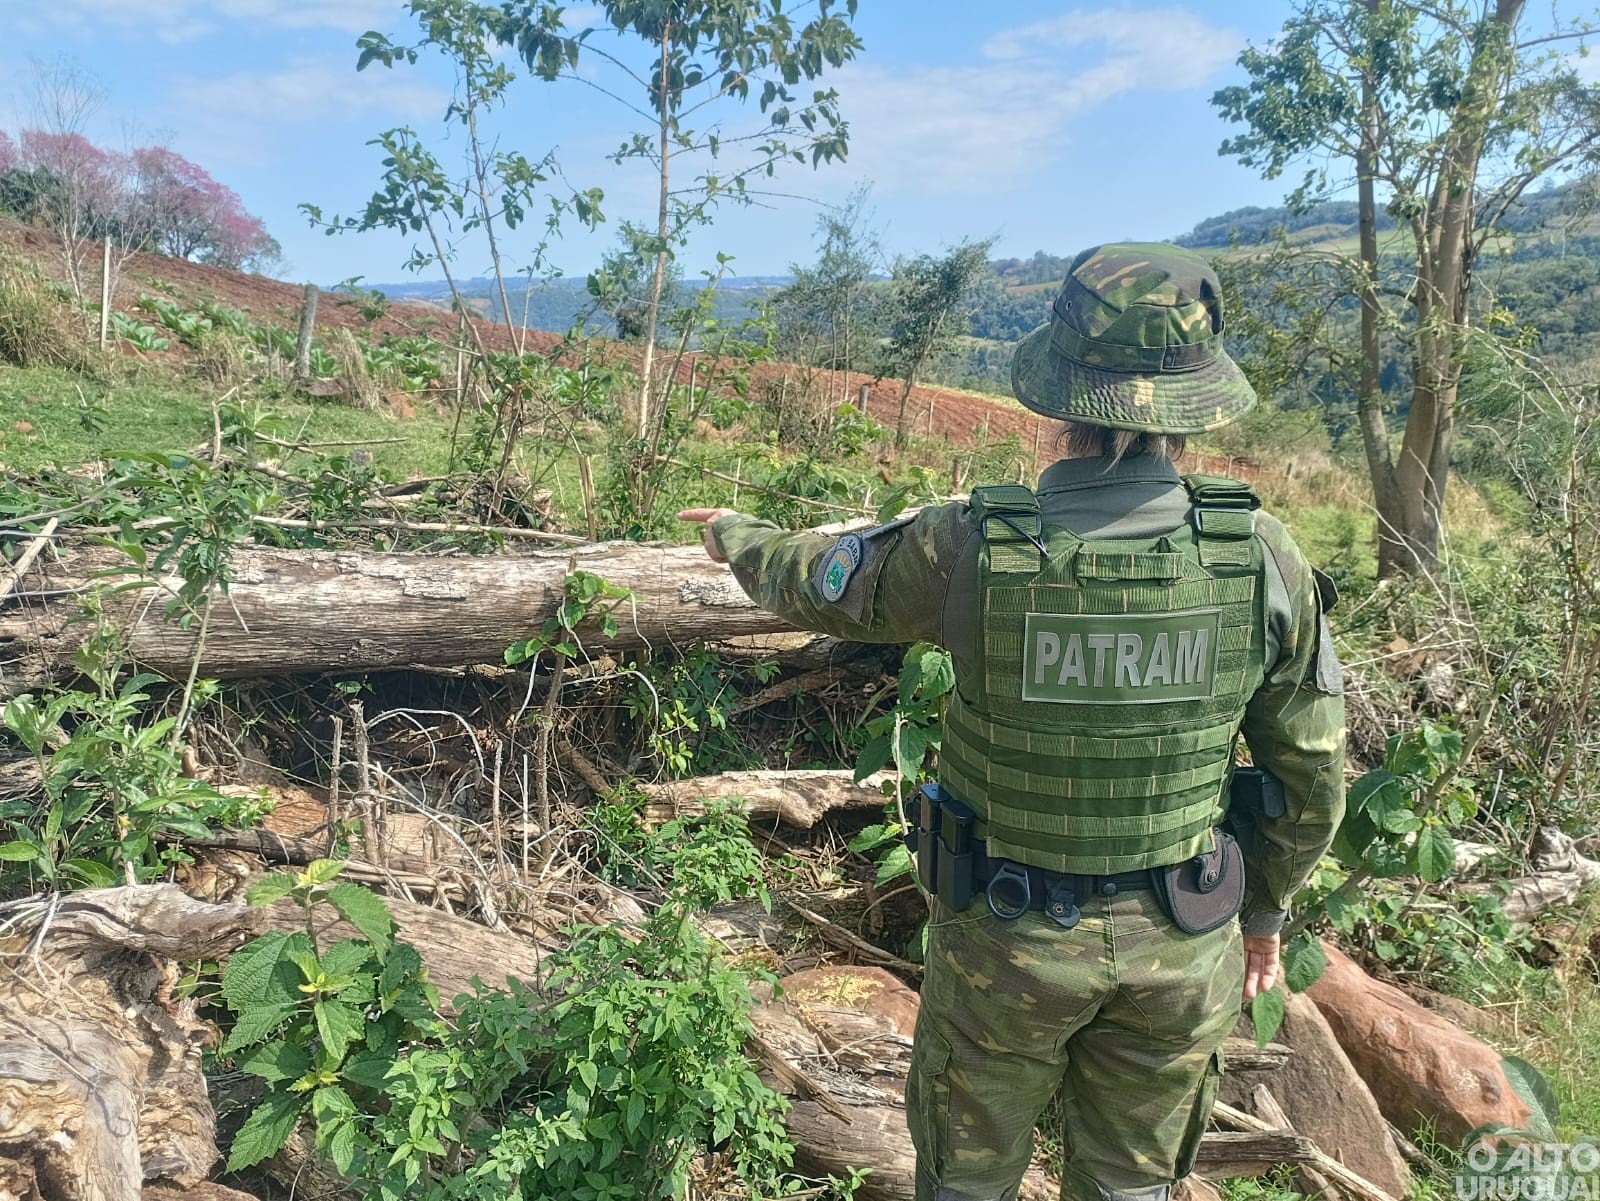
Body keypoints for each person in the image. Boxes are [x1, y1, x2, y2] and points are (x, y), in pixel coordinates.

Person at [680, 242, 1346, 1201]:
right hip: (1182, 940)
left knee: (967, 1184)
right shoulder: (1264, 557)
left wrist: (736, 535)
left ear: (1063, 396)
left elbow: (822, 582)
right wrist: (1267, 911)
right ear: (1193, 403)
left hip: (1005, 945)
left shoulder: (971, 545)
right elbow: (1311, 777)